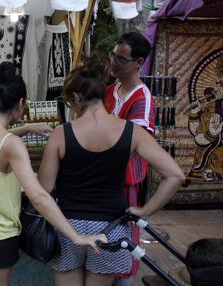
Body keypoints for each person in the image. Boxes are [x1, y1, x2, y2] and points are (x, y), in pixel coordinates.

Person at [0, 62, 106, 286]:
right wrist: (76, 236)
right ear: (21, 104)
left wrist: (26, 129)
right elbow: (38, 196)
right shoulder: (11, 145)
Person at [38, 57, 184, 286]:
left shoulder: (60, 134)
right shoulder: (132, 132)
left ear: (76, 98)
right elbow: (175, 175)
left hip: (66, 226)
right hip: (111, 227)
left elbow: (44, 189)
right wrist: (144, 210)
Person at [105, 32, 155, 285]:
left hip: (125, 180)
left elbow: (134, 143)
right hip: (105, 175)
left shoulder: (141, 99)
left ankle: (122, 277)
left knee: (124, 230)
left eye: (121, 59)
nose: (114, 62)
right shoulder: (110, 91)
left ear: (139, 62)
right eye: (113, 56)